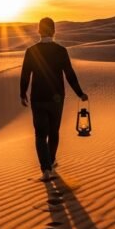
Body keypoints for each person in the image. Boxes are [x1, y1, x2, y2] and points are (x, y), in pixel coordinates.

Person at [20, 17, 88, 180]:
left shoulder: (31, 51)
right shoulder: (60, 51)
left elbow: (25, 75)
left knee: (40, 134)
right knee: (53, 131)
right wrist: (80, 93)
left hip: (37, 98)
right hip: (56, 98)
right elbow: (69, 74)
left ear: (39, 31)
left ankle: (46, 169)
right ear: (54, 31)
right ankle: (50, 162)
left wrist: (22, 93)